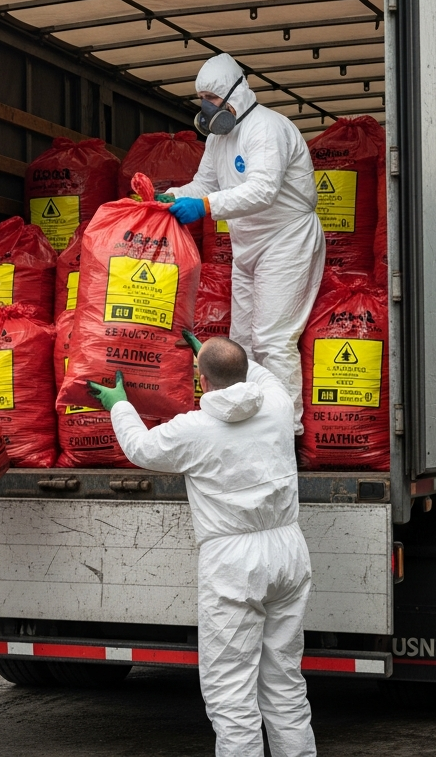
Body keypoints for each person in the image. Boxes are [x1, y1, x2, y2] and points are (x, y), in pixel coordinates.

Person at [89, 337, 315, 757]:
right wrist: (214, 350)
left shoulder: (193, 430)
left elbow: (140, 448)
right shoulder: (279, 406)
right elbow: (258, 374)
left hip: (234, 563)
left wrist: (119, 405)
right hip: (288, 549)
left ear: (201, 379)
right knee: (285, 681)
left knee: (231, 692)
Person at [162, 53, 325, 433]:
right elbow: (204, 184)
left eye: (213, 99)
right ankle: (250, 425)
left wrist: (204, 206)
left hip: (287, 239)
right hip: (248, 245)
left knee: (273, 338)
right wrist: (167, 197)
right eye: (202, 98)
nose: (207, 107)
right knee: (241, 342)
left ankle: (286, 431)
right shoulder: (219, 139)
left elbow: (263, 190)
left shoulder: (266, 128)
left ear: (238, 93)